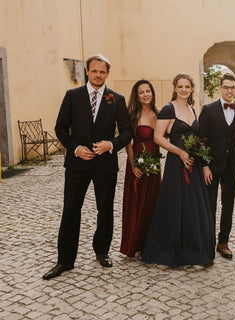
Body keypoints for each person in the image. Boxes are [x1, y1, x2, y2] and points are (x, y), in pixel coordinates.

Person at [43, 54, 133, 280]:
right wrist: (75, 149)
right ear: (87, 71)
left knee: (105, 210)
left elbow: (126, 132)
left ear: (107, 74)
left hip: (105, 165)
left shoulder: (117, 99)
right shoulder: (72, 96)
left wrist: (110, 144)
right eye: (94, 71)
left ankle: (101, 251)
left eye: (102, 72)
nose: (98, 75)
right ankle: (65, 260)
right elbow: (61, 128)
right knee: (71, 209)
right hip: (77, 165)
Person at [141, 73, 215, 267]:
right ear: (175, 88)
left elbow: (198, 139)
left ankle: (194, 248)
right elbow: (158, 137)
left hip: (195, 164)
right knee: (176, 205)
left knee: (194, 206)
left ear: (191, 89)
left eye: (187, 87)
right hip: (177, 163)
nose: (183, 90)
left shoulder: (192, 109)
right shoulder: (168, 109)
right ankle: (173, 249)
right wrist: (180, 152)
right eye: (180, 86)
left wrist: (205, 163)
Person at [199, 73, 235, 259]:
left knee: (228, 205)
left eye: (232, 87)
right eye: (225, 87)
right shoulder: (208, 110)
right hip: (211, 166)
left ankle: (223, 242)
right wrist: (204, 166)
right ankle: (207, 242)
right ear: (220, 88)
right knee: (209, 205)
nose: (229, 90)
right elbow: (201, 140)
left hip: (232, 166)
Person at [120, 80, 161, 258]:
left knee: (153, 202)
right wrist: (133, 164)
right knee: (136, 203)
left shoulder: (160, 113)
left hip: (154, 165)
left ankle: (150, 245)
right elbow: (128, 142)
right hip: (137, 163)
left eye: (148, 91)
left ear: (152, 93)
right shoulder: (133, 115)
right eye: (141, 92)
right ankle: (134, 244)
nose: (145, 94)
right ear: (136, 96)